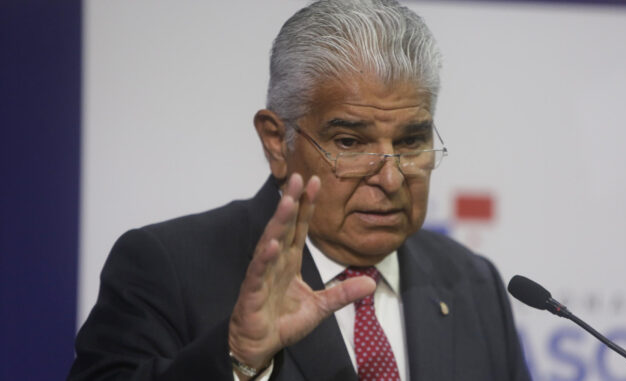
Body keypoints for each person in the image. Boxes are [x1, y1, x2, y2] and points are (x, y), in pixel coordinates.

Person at [68, 0, 531, 380]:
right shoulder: (167, 268)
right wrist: (239, 359)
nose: (390, 179)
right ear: (277, 141)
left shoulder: (470, 281)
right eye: (350, 143)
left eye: (411, 141)